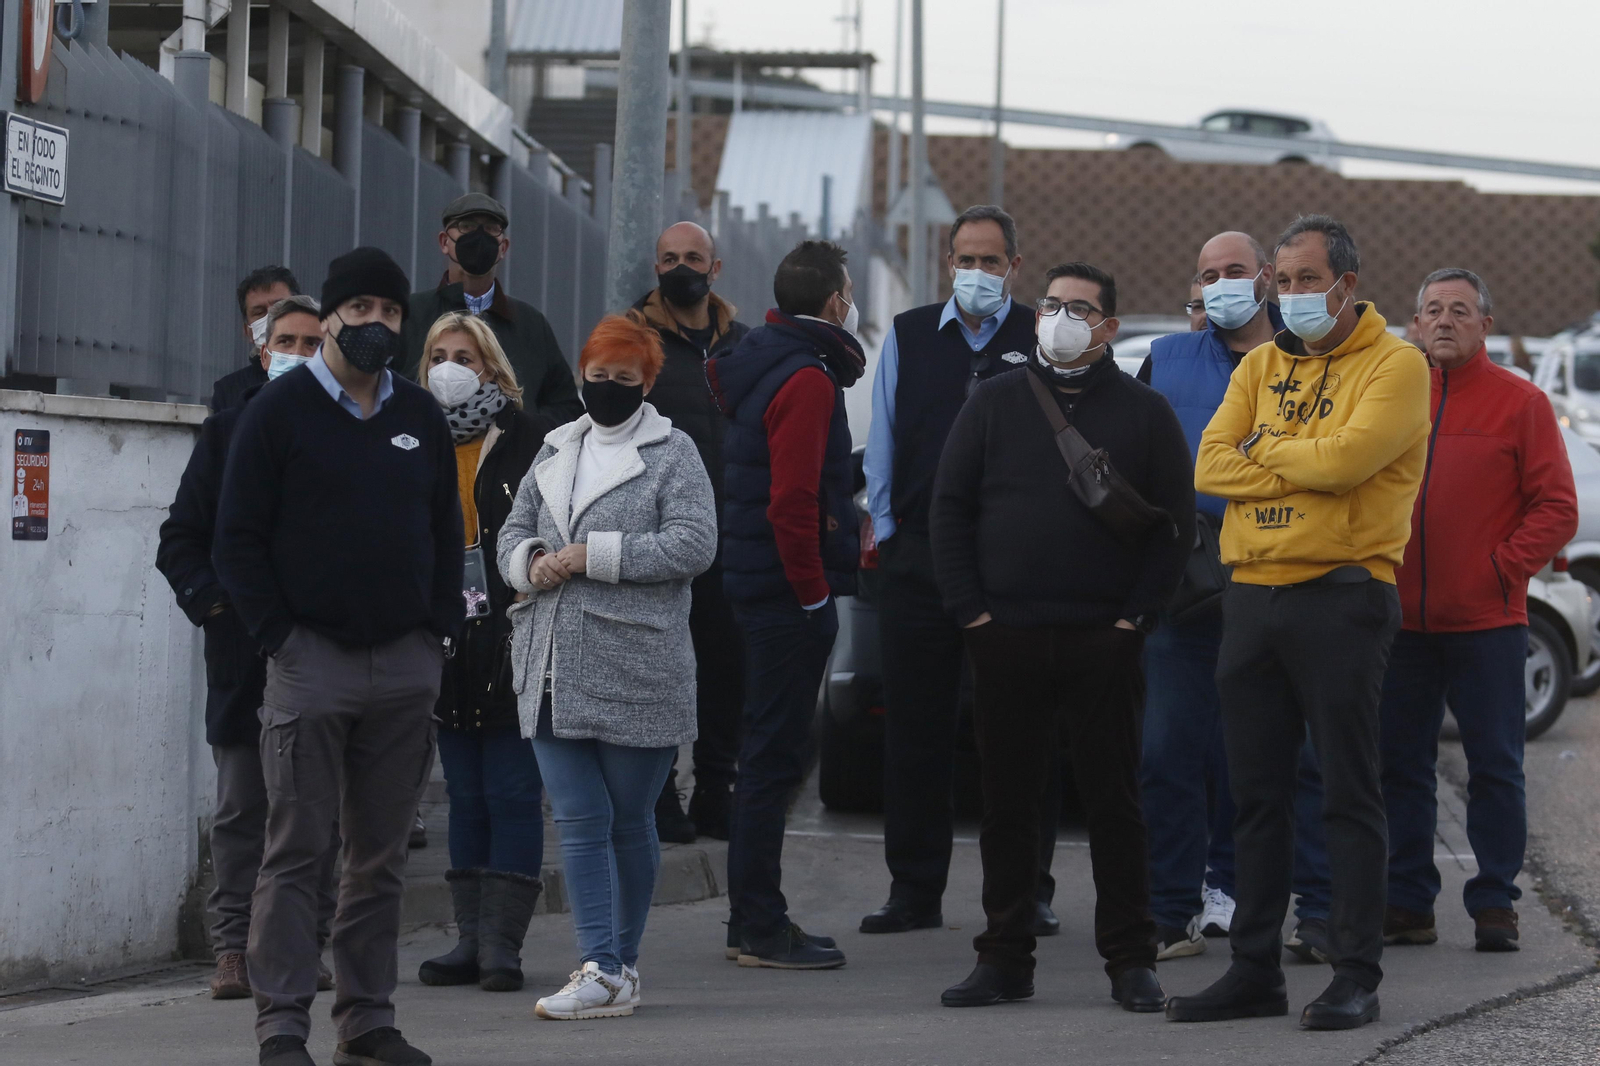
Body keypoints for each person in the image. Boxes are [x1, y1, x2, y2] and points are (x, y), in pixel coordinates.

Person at [1169, 215, 1431, 1031]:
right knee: (1254, 796)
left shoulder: (1398, 364)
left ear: (1346, 286)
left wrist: (1270, 449)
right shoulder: (1261, 363)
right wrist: (1300, 454)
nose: (1291, 296)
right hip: (1251, 595)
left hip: (1342, 596)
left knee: (1347, 792)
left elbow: (1350, 461)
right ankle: (1254, 969)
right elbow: (1209, 464)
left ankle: (1354, 971)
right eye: (1282, 281)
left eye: (1306, 280)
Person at [214, 247, 463, 1066]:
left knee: (380, 859)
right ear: (330, 317)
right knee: (296, 852)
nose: (376, 327)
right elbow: (236, 540)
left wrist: (435, 636)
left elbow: (442, 532)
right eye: (361, 312)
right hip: (308, 661)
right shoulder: (277, 414)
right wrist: (279, 637)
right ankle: (282, 1026)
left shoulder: (420, 417)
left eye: (390, 314)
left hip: (403, 665)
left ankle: (366, 1020)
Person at [931, 261, 1193, 1011]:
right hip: (1004, 635)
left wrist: (1131, 621)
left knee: (1115, 803)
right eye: (1052, 304)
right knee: (1008, 803)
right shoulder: (993, 401)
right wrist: (973, 616)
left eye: (1081, 308)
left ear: (1109, 327)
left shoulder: (1146, 412)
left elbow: (1172, 530)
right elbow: (949, 510)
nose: (1062, 317)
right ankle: (1004, 958)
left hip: (1103, 641)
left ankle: (1131, 960)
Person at [496, 312, 717, 1019]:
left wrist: (596, 555)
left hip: (636, 664)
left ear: (647, 382)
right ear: (582, 376)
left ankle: (619, 966)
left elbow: (694, 544)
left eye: (626, 379)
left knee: (628, 819)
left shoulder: (673, 452)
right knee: (580, 814)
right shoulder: (555, 445)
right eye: (599, 377)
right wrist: (529, 563)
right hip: (549, 658)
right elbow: (513, 529)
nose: (610, 389)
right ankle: (600, 966)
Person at [861, 204, 1061, 939]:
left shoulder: (1041, 336)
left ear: (1014, 265)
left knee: (1017, 732)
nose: (975, 272)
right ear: (948, 263)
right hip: (919, 560)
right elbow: (883, 434)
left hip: (1011, 564)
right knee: (914, 730)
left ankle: (1026, 892)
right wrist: (887, 529)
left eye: (990, 260)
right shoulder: (912, 333)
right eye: (964, 259)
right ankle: (913, 891)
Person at [1135, 232, 1333, 964]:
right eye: (1208, 273)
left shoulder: (1313, 359)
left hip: (1286, 579)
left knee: (1299, 760)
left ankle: (1314, 911)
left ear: (1267, 283)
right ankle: (1170, 912)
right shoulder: (1168, 358)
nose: (1222, 284)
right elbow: (1147, 466)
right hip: (1186, 589)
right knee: (1167, 754)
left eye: (1236, 272)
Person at [1382, 269, 1577, 952]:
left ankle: (1495, 901)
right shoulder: (1390, 399)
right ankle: (1408, 900)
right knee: (1400, 764)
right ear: (1414, 322)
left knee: (1496, 766)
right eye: (1431, 309)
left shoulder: (1520, 404)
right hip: (1400, 622)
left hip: (1489, 624)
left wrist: (1502, 566)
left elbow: (1557, 508)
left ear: (1485, 325)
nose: (1443, 321)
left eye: (1459, 311)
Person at [157, 295, 336, 1002]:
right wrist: (218, 605)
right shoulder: (227, 435)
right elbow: (182, 540)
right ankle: (234, 948)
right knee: (242, 811)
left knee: (318, 812)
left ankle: (305, 945)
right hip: (244, 658)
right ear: (263, 353)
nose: (297, 350)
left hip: (325, 654)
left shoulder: (347, 432)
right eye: (285, 340)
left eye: (312, 340)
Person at [707, 240, 864, 969]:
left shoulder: (764, 361)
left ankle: (753, 920)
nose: (852, 302)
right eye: (849, 291)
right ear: (834, 302)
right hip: (783, 592)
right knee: (775, 756)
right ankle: (761, 925)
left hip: (755, 580)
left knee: (764, 753)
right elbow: (791, 500)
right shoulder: (807, 379)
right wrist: (812, 596)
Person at [411, 313, 556, 993]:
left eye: (463, 355)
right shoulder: (410, 435)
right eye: (438, 354)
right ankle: (468, 940)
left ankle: (503, 945)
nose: (449, 366)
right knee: (465, 796)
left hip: (513, 635)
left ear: (492, 368)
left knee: (511, 791)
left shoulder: (530, 440)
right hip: (442, 637)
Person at [631, 220, 751, 844]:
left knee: (725, 671)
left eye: (694, 257)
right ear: (656, 268)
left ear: (715, 267)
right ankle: (659, 796)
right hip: (657, 539)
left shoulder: (745, 346)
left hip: (731, 536)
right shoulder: (629, 336)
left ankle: (715, 790)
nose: (682, 267)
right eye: (670, 257)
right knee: (659, 670)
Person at [400, 193, 584, 424]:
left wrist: (523, 429)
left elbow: (566, 408)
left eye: (490, 229)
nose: (479, 237)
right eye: (466, 227)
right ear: (444, 242)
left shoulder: (531, 323)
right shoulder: (411, 314)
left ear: (503, 247)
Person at [211, 265, 300, 412]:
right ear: (248, 332)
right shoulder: (229, 390)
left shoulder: (327, 380)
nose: (271, 317)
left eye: (280, 306)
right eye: (259, 312)